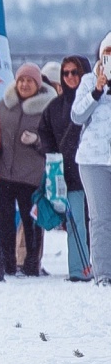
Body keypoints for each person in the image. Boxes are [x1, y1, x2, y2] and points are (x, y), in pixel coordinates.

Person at [0, 63, 56, 277]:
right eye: (21, 80)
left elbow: (54, 141)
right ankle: (7, 263)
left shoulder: (47, 107)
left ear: (38, 84)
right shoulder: (4, 105)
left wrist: (37, 140)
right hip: (4, 173)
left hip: (31, 176)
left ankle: (31, 263)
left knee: (31, 222)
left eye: (29, 81)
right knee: (5, 221)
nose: (24, 84)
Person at [38, 53, 92, 280]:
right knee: (76, 223)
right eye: (65, 73)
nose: (70, 77)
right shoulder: (55, 107)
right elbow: (44, 133)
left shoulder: (97, 101)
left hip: (96, 168)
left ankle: (102, 265)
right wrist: (54, 158)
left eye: (75, 72)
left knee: (100, 223)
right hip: (71, 175)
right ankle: (80, 270)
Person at [71, 31, 111, 285]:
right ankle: (104, 274)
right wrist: (97, 91)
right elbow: (77, 115)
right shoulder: (89, 80)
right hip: (93, 158)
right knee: (100, 218)